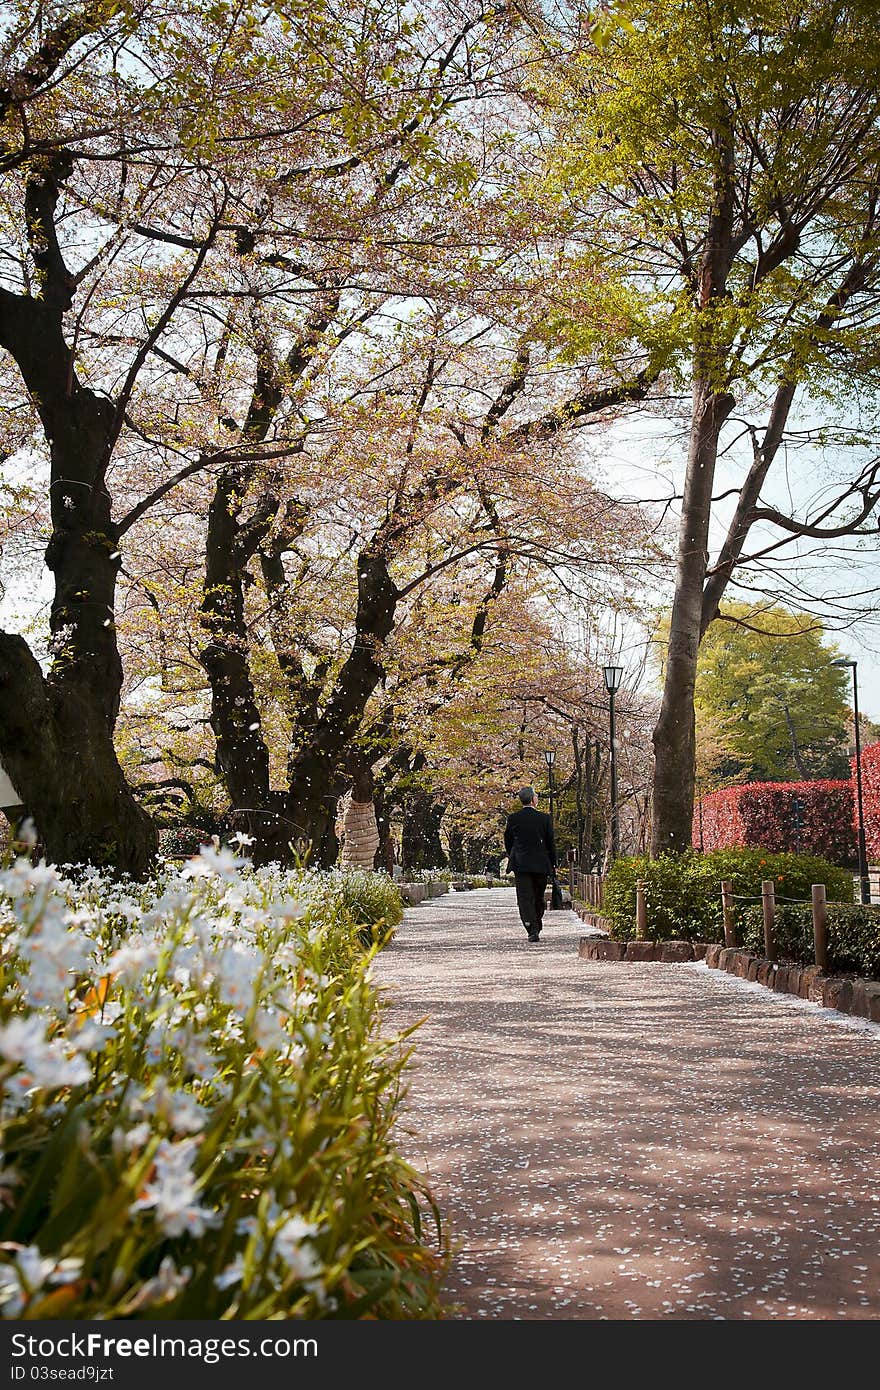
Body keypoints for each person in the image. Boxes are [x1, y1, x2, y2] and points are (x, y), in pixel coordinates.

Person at [503, 786, 557, 942]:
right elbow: (550, 843)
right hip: (541, 864)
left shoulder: (513, 818)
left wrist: (513, 853)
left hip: (521, 863)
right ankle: (536, 924)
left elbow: (508, 840)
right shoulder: (544, 818)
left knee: (524, 897)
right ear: (533, 800)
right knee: (538, 896)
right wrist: (553, 863)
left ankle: (530, 926)